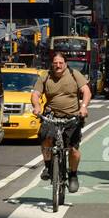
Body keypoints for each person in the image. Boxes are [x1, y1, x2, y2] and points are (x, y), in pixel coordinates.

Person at [31, 51, 91, 194]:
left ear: (65, 64)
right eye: (55, 63)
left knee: (73, 149)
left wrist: (83, 107)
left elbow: (86, 91)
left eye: (61, 63)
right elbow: (35, 94)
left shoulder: (74, 74)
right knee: (45, 138)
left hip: (72, 117)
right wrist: (37, 106)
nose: (58, 66)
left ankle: (73, 175)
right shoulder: (45, 76)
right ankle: (47, 166)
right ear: (52, 64)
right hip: (52, 115)